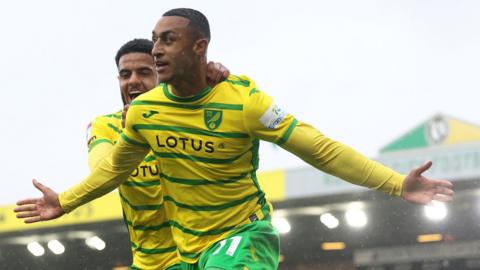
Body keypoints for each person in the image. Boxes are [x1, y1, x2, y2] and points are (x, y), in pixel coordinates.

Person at [15, 8, 454, 270]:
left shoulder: (244, 101)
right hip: (178, 255)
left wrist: (396, 183)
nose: (157, 51)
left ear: (199, 48)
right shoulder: (141, 116)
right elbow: (112, 168)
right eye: (155, 42)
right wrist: (66, 202)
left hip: (242, 234)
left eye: (167, 42)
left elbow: (320, 148)